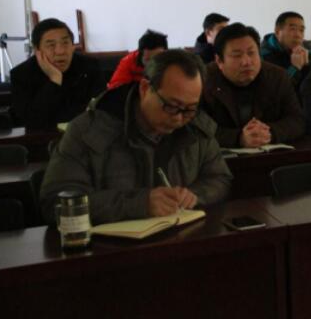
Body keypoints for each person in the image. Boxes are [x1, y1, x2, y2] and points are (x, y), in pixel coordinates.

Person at [40, 49, 232, 225]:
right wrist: (139, 204)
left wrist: (194, 195)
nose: (179, 118)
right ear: (145, 88)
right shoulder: (89, 131)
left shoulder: (196, 128)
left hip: (181, 240)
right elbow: (56, 203)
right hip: (109, 248)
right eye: (171, 106)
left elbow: (220, 178)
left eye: (189, 109)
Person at [202, 23, 305, 148]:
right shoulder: (203, 81)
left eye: (251, 53)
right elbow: (197, 129)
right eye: (237, 55)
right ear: (219, 61)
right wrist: (239, 138)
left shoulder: (277, 77)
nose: (246, 62)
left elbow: (297, 120)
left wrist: (269, 133)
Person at [10, 18, 104, 130]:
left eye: (65, 43)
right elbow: (31, 121)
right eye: (51, 45)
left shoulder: (89, 67)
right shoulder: (21, 75)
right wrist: (54, 80)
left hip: (85, 135)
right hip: (42, 138)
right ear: (37, 50)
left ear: (73, 46)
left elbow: (102, 111)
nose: (60, 51)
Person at [260, 11, 311, 90]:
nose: (298, 35)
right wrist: (295, 68)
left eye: (301, 30)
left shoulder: (309, 52)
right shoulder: (262, 56)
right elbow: (275, 90)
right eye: (292, 29)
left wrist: (307, 66)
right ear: (277, 32)